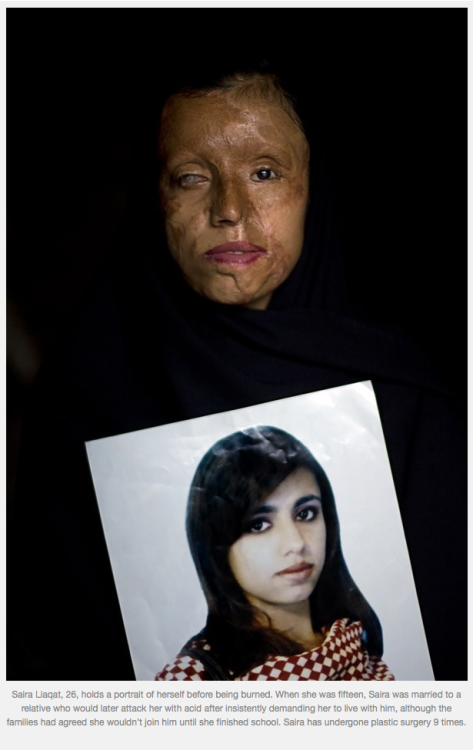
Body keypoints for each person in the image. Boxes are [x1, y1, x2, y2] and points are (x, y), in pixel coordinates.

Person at [7, 63, 466, 681]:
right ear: (155, 199)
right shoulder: (84, 398)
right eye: (191, 177)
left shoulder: (407, 395)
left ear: (314, 188)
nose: (229, 208)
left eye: (265, 172)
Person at [156, 426, 394, 681]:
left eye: (305, 514)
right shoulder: (191, 679)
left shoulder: (353, 640)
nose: (296, 543)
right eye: (258, 525)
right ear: (218, 548)